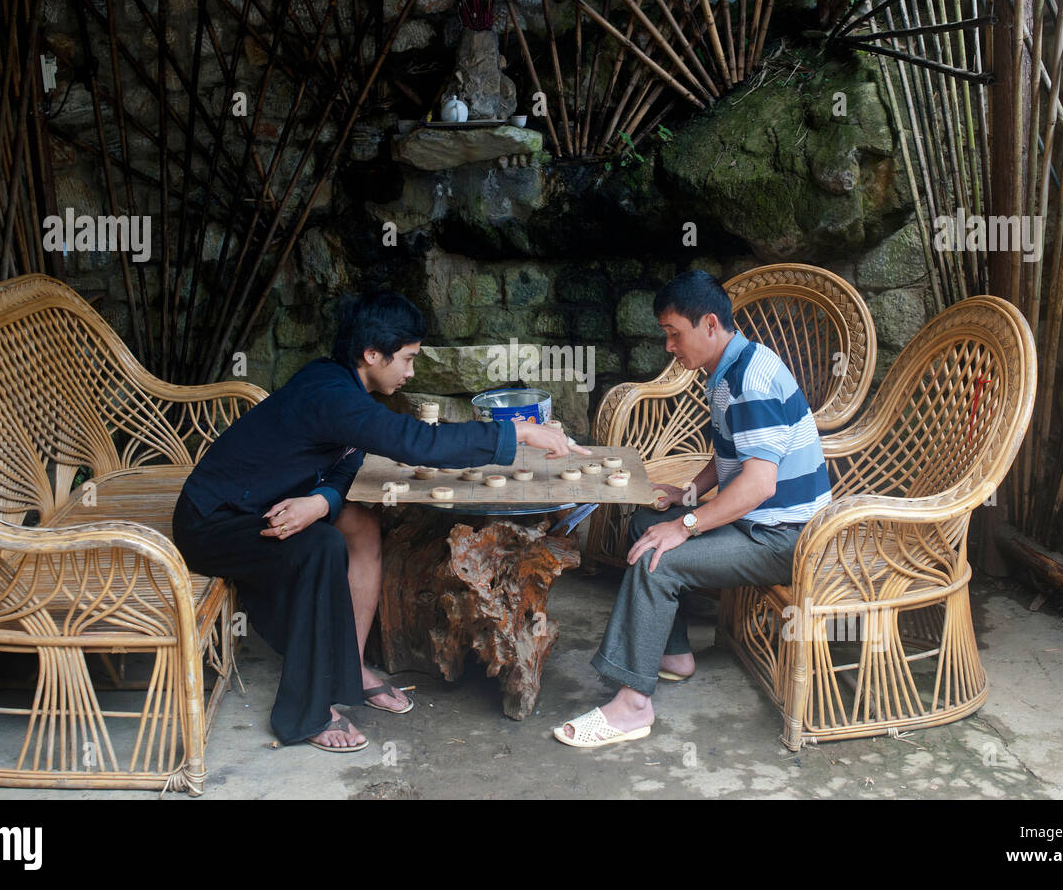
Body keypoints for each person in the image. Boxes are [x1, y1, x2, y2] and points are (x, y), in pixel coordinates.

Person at [172, 291, 587, 753]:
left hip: (273, 502)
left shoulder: (343, 385)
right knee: (321, 547)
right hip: (214, 521)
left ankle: (348, 666)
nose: (410, 372)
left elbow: (348, 462)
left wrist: (322, 502)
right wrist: (519, 431)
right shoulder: (331, 394)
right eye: (407, 359)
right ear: (372, 354)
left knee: (361, 525)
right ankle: (305, 713)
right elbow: (418, 444)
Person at [554, 270, 831, 748]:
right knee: (645, 522)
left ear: (708, 324)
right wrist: (686, 495)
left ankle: (632, 706)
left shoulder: (754, 381)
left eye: (673, 334)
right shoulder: (727, 369)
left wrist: (686, 524)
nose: (669, 346)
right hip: (758, 524)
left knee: (658, 559)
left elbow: (760, 484)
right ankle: (675, 654)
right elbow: (730, 454)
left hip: (786, 537)